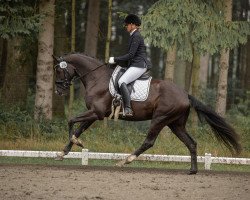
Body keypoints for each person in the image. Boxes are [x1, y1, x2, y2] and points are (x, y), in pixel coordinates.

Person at [108, 14, 152, 117]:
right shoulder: (133, 35)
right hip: (135, 64)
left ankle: (128, 109)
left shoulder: (136, 36)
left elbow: (131, 55)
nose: (126, 27)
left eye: (127, 25)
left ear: (132, 25)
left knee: (122, 81)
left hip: (139, 65)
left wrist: (115, 59)